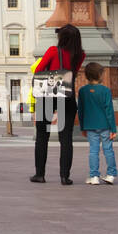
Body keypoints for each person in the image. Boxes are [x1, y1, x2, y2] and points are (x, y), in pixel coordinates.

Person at [30, 24, 85, 185]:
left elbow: (38, 69)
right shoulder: (80, 54)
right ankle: (64, 176)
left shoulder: (53, 51)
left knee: (42, 136)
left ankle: (40, 174)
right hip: (67, 96)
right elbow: (72, 72)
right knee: (66, 138)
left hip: (48, 95)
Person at [77, 61, 118, 184]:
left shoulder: (82, 91)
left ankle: (94, 176)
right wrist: (113, 129)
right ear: (100, 75)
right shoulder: (105, 90)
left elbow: (81, 110)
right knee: (108, 150)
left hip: (90, 125)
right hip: (105, 125)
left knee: (93, 151)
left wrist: (82, 127)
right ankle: (111, 174)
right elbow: (109, 111)